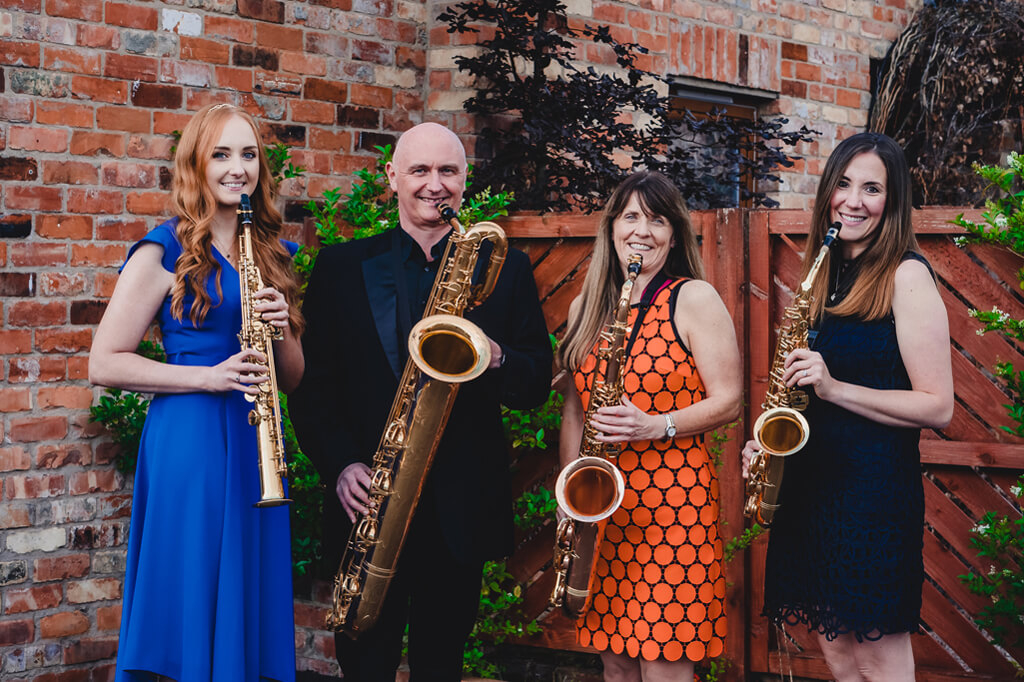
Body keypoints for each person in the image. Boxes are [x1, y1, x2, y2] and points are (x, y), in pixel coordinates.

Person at [289, 122, 552, 681]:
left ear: (465, 179)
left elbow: (534, 383)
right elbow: (313, 391)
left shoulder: (508, 271)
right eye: (420, 170)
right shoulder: (341, 268)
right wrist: (340, 466)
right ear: (392, 178)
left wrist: (495, 355)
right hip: (368, 502)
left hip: (458, 507)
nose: (435, 184)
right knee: (364, 663)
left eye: (448, 171)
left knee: (442, 665)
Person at [89, 102, 304, 682]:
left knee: (245, 589)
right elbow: (103, 361)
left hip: (259, 437)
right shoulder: (164, 249)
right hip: (191, 438)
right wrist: (206, 377)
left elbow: (293, 377)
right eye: (222, 154)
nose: (238, 168)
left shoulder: (275, 254)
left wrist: (282, 329)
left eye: (249, 154)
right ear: (196, 165)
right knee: (193, 583)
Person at [741, 132, 954, 681]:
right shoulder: (827, 276)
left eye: (872, 188)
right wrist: (766, 442)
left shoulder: (906, 276)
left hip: (872, 496)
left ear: (894, 201)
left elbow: (938, 407)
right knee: (835, 652)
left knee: (878, 659)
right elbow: (804, 394)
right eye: (843, 183)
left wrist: (835, 388)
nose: (853, 200)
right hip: (814, 488)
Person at [557, 171, 743, 681]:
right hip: (603, 510)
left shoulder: (694, 298)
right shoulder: (584, 307)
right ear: (612, 227)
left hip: (673, 513)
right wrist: (568, 497)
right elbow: (575, 410)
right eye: (631, 216)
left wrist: (655, 425)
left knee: (664, 670)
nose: (643, 230)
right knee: (616, 669)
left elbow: (730, 400)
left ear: (675, 233)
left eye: (657, 220)